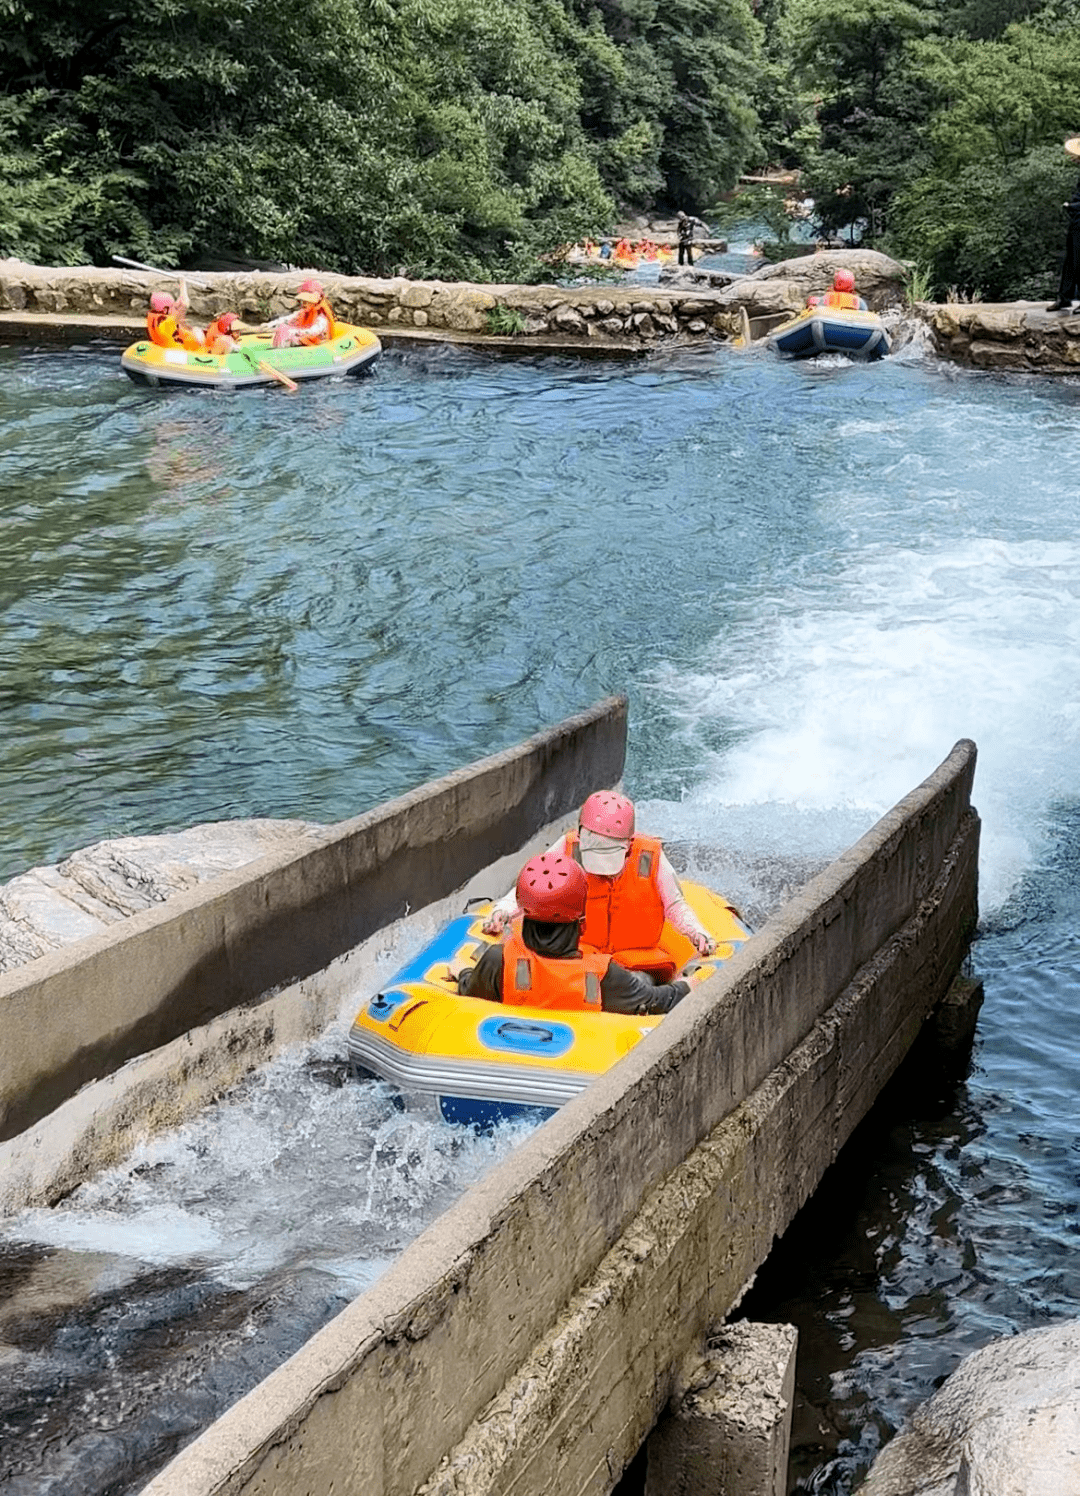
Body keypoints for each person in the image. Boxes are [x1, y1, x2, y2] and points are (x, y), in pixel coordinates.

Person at [482, 790, 717, 976]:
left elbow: (675, 905)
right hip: (580, 960)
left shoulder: (650, 856)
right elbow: (534, 888)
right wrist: (501, 911)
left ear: (629, 844)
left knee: (638, 985)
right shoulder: (568, 847)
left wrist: (697, 933)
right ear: (582, 833)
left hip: (635, 963)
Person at [452, 853, 706, 1015]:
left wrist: (461, 972)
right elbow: (657, 1001)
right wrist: (688, 986)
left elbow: (471, 990)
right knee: (644, 981)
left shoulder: (498, 960)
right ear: (582, 924)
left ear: (523, 912)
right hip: (583, 1065)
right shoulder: (605, 975)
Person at [1048, 139, 1080, 313]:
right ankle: (1065, 297)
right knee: (1070, 259)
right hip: (1077, 218)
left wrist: (1071, 206)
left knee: (1079, 259)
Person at [267, 278, 337, 348]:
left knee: (287, 333)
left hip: (313, 340)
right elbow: (287, 319)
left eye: (307, 302)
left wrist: (295, 332)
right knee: (283, 328)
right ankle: (277, 350)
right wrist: (269, 325)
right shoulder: (302, 313)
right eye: (303, 301)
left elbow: (314, 331)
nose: (303, 304)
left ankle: (280, 351)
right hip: (302, 336)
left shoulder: (321, 318)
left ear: (314, 303)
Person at [145, 281, 206, 352]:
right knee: (197, 331)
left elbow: (179, 303)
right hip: (178, 351)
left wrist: (181, 284)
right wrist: (183, 283)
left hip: (163, 346)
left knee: (189, 330)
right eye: (172, 306)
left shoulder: (154, 317)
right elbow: (185, 304)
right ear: (165, 309)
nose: (175, 308)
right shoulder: (167, 323)